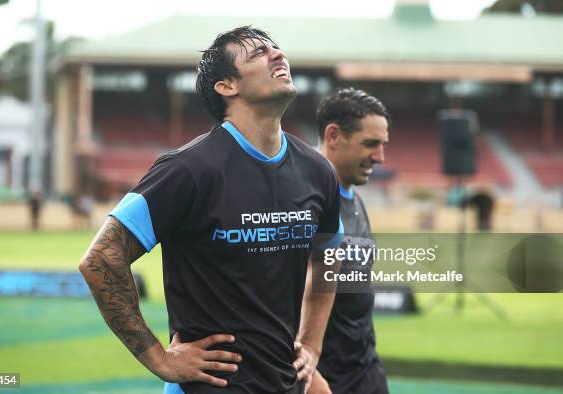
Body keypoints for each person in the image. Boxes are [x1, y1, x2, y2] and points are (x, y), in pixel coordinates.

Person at [79, 26, 343, 394]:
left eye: (277, 49)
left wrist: (312, 344)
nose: (278, 56)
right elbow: (100, 260)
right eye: (258, 54)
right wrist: (159, 359)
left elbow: (331, 256)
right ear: (226, 86)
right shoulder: (187, 169)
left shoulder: (318, 172)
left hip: (286, 383)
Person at [309, 88, 390, 394]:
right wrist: (311, 379)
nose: (380, 157)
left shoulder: (355, 199)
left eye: (383, 145)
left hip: (365, 372)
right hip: (322, 379)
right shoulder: (300, 203)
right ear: (333, 135)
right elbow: (276, 303)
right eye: (370, 144)